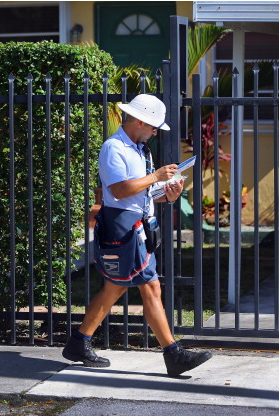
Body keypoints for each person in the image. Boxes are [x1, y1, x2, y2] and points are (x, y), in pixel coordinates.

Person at [62, 94, 212, 377]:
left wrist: (168, 194)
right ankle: (173, 354)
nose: (155, 132)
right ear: (140, 121)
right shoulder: (113, 148)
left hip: (138, 224)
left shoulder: (142, 149)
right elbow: (119, 190)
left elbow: (139, 191)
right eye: (154, 127)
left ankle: (78, 342)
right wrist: (155, 177)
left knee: (114, 287)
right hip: (122, 226)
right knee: (150, 287)